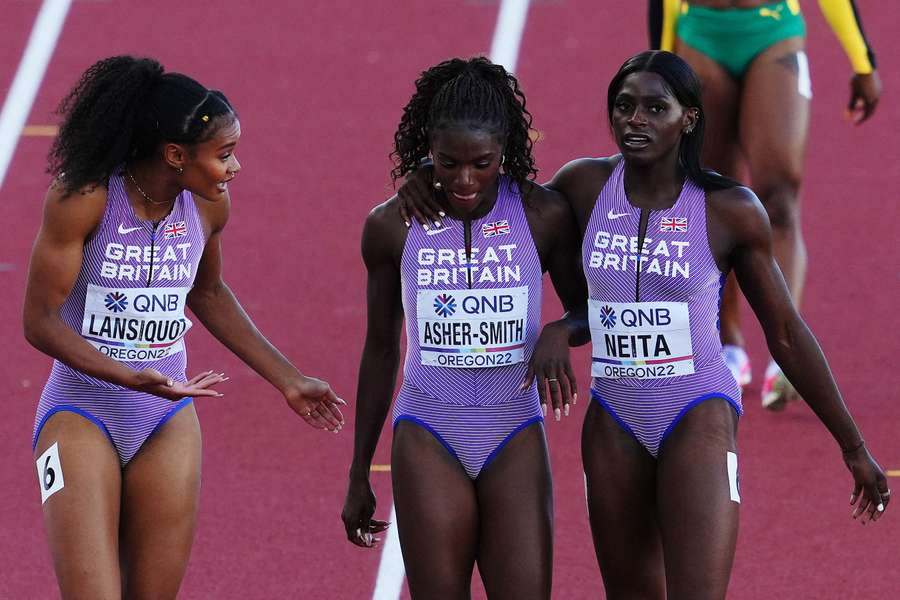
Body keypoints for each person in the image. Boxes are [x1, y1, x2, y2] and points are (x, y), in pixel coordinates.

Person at [398, 50, 890, 600]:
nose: (637, 120)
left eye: (656, 108)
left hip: (696, 411)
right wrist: (420, 176)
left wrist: (852, 445)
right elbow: (491, 184)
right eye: (625, 106)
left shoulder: (728, 209)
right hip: (614, 421)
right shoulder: (583, 188)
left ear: (689, 118)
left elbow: (786, 333)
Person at [24, 56, 345, 599]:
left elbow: (208, 291)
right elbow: (40, 322)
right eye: (224, 155)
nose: (235, 168)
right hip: (80, 412)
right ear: (175, 155)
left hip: (167, 415)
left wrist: (288, 379)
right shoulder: (84, 198)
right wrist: (128, 375)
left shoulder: (208, 206)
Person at [341, 57, 587, 599]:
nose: (465, 180)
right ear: (427, 148)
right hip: (429, 428)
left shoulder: (543, 215)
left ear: (506, 151)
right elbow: (380, 350)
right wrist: (359, 469)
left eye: (483, 163)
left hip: (513, 428)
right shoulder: (389, 226)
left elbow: (588, 310)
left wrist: (557, 332)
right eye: (448, 163)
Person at [647, 0, 881, 409]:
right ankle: (725, 345)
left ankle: (787, 354)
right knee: (708, 196)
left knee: (779, 196)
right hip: (700, 34)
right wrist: (659, 63)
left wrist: (862, 59)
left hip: (772, 32)